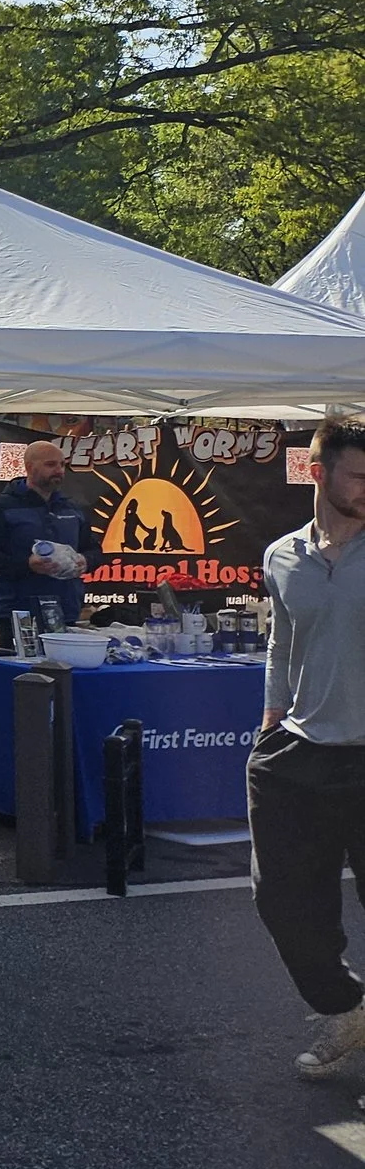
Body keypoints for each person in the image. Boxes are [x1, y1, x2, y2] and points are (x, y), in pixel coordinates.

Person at [252, 415, 365, 1080]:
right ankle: (347, 1007)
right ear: (317, 473)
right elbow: (282, 641)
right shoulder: (282, 555)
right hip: (305, 748)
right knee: (283, 899)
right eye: (358, 475)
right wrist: (273, 712)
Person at [0, 440, 87, 639]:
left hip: (65, 611)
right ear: (29, 467)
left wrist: (85, 560)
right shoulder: (0, 507)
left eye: (62, 465)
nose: (58, 470)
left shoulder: (72, 508)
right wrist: (27, 564)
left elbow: (94, 549)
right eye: (51, 465)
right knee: (19, 670)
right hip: (18, 612)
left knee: (63, 669)